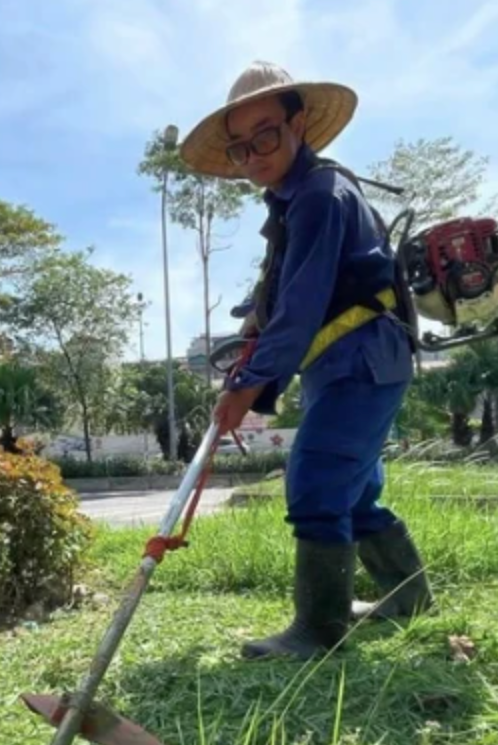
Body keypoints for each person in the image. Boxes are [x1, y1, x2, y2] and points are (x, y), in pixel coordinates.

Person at [181, 61, 433, 661]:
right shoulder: (296, 201)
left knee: (316, 478)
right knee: (353, 490)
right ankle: (407, 599)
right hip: (347, 362)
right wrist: (252, 317)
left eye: (265, 135)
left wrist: (247, 386)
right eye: (239, 148)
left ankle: (319, 631)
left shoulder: (320, 194)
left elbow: (300, 307)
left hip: (361, 357)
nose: (253, 155)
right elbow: (285, 290)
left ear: (299, 126)